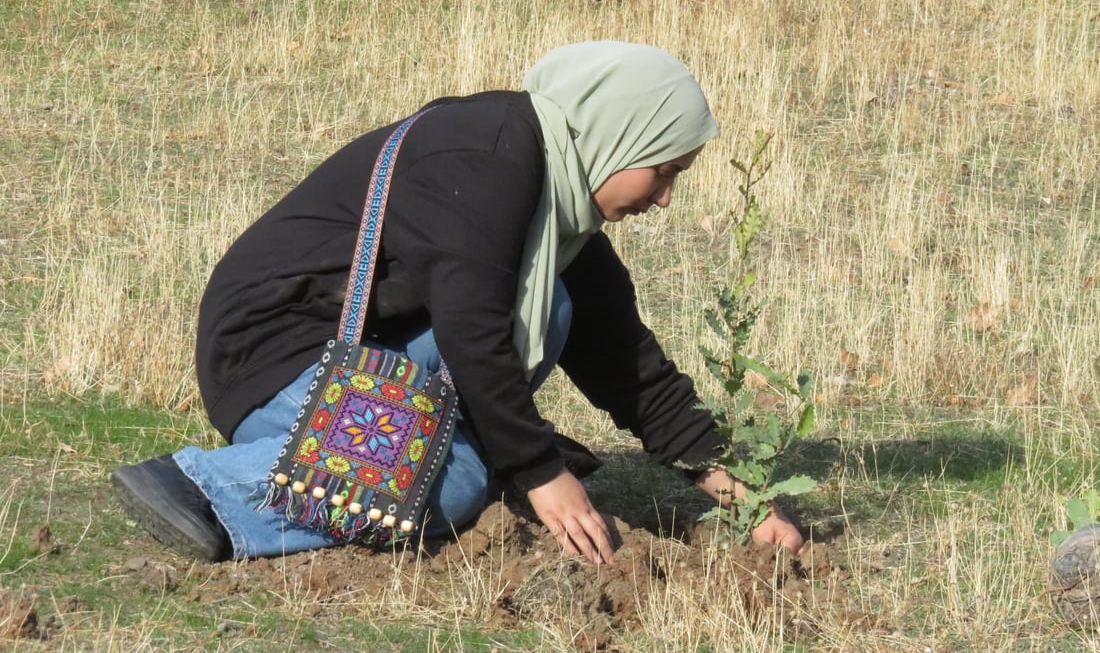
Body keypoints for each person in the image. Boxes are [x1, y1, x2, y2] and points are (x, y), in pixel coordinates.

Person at [111, 41, 804, 564]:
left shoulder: (560, 212)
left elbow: (631, 367)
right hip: (273, 357)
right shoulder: (489, 158)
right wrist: (539, 471)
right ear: (619, 134)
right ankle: (207, 486)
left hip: (361, 353)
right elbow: (471, 329)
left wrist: (744, 493)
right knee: (457, 482)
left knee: (557, 307)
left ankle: (450, 444)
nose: (665, 197)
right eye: (664, 169)